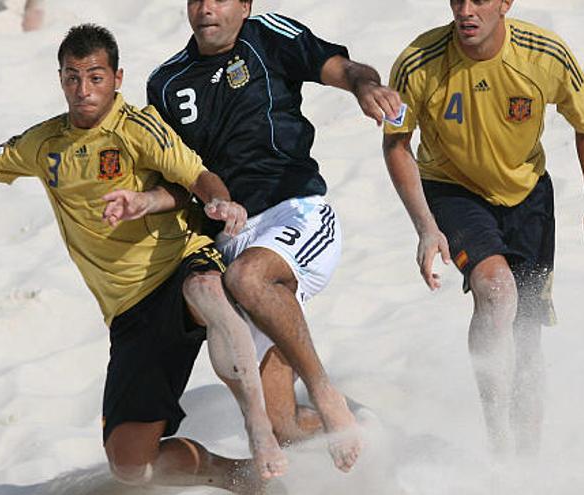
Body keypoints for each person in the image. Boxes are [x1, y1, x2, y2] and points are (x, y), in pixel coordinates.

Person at [0, 24, 289, 492]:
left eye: (95, 77)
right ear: (61, 79)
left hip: (178, 265)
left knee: (206, 290)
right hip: (128, 311)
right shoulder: (46, 143)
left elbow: (199, 176)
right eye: (72, 77)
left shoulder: (138, 127)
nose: (83, 89)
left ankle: (258, 427)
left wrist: (219, 202)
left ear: (117, 78)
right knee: (132, 465)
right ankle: (238, 476)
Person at [146, 0, 403, 472]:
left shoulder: (266, 35)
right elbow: (174, 179)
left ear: (244, 6)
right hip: (230, 238)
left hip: (297, 211)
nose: (207, 9)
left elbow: (342, 66)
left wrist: (365, 86)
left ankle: (324, 391)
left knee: (249, 278)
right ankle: (371, 435)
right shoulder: (167, 82)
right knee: (283, 430)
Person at [382, 0, 584, 457]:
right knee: (496, 289)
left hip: (528, 197)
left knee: (526, 337)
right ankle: (497, 438)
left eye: (479, 0)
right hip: (452, 191)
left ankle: (527, 458)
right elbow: (396, 143)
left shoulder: (545, 55)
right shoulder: (418, 62)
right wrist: (425, 227)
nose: (466, 11)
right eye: (457, 0)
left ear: (506, 3)